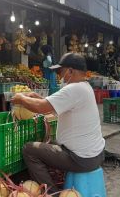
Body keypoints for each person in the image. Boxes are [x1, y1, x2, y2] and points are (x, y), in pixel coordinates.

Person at [11, 53, 105, 192]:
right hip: (96, 155)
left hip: (81, 159)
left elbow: (41, 108)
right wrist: (37, 97)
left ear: (71, 71)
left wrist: (20, 98)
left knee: (29, 150)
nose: (60, 77)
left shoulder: (74, 89)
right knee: (50, 144)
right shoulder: (85, 87)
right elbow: (53, 107)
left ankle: (52, 193)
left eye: (61, 72)